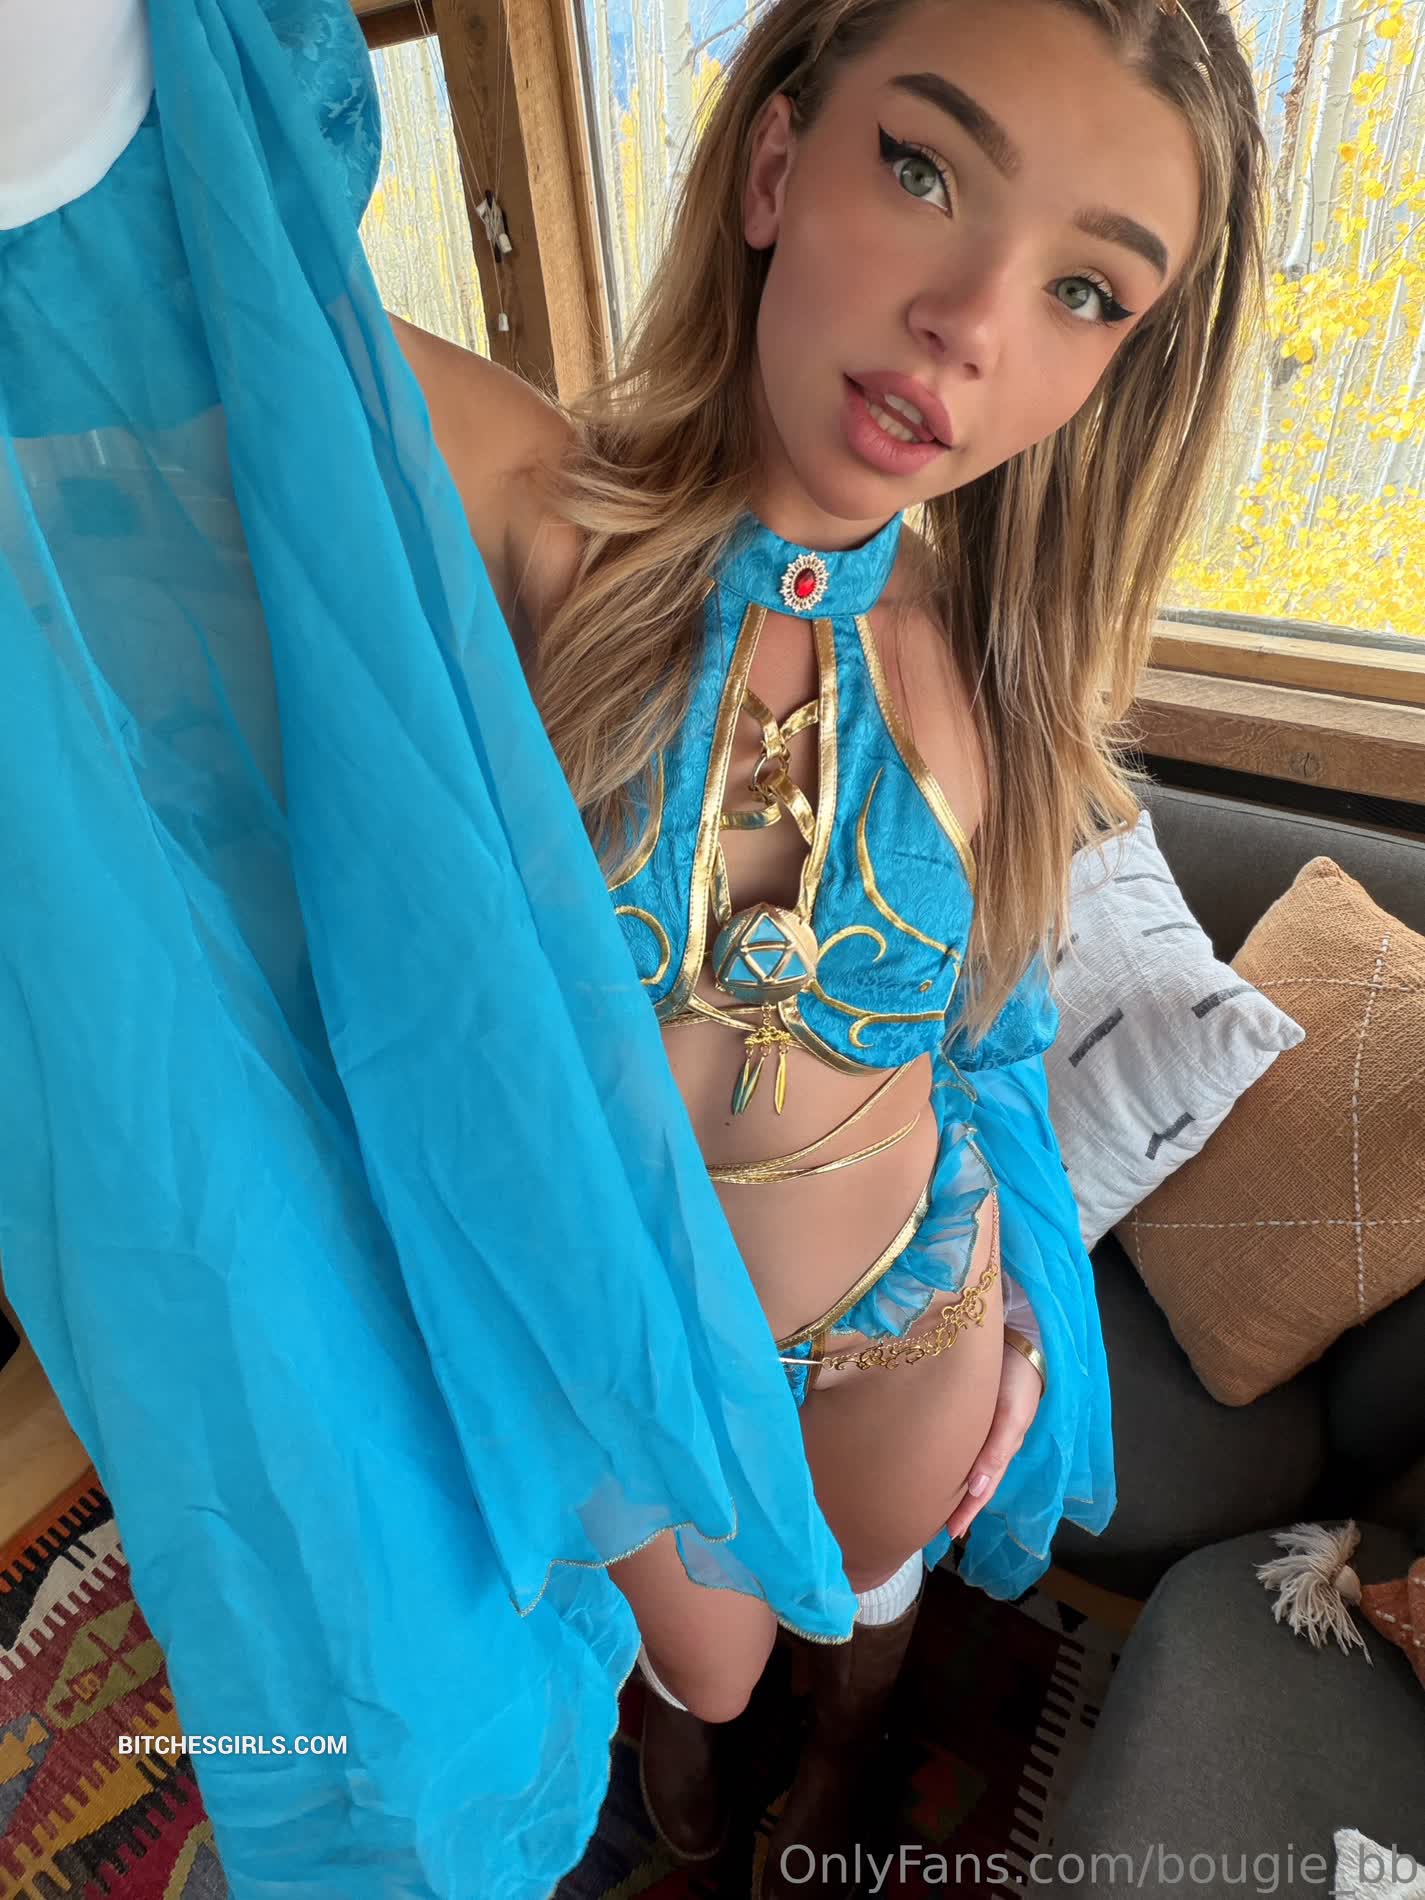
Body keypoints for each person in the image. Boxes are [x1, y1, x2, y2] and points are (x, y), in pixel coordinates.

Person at [0, 0, 1264, 1896]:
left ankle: (839, 1766)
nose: (969, 324)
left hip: (911, 1308)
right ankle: (693, 1732)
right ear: (773, 165)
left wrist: (1012, 1288)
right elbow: (164, 281)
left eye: (1085, 291)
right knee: (707, 1659)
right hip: (629, 1336)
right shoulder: (531, 515)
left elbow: (983, 1028)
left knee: (863, 1610)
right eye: (923, 171)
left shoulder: (1001, 666)